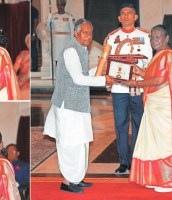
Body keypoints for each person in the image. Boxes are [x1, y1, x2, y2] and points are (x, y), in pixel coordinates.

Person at [44, 18, 114, 193]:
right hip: (68, 106)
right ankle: (67, 182)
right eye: (84, 32)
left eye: (90, 32)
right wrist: (103, 79)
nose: (88, 36)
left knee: (81, 142)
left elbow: (81, 74)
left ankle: (77, 178)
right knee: (70, 144)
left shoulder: (81, 49)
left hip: (78, 104)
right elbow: (79, 79)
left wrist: (99, 70)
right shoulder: (71, 51)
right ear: (75, 33)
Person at [123, 25, 172, 192]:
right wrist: (139, 71)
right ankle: (157, 178)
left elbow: (159, 80)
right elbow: (152, 75)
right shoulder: (159, 55)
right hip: (155, 106)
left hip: (163, 107)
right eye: (152, 37)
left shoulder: (167, 54)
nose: (154, 40)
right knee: (155, 143)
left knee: (164, 143)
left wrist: (135, 83)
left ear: (166, 38)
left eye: (158, 37)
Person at [104, 3, 153, 174]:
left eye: (129, 13)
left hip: (139, 87)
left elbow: (151, 64)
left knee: (139, 123)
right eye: (123, 13)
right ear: (119, 18)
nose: (126, 16)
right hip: (119, 89)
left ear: (136, 17)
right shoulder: (112, 37)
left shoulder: (147, 36)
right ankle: (124, 162)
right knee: (121, 125)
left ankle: (137, 160)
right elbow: (106, 62)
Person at [46, 0, 74, 67]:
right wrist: (48, 20)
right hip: (56, 42)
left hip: (66, 41)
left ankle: (65, 75)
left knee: (66, 58)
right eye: (58, 5)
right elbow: (48, 29)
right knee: (57, 58)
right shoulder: (53, 16)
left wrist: (72, 42)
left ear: (64, 6)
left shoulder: (69, 16)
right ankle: (58, 75)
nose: (59, 7)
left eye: (61, 5)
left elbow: (72, 30)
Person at [13, 34, 30, 100]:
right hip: (23, 81)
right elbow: (14, 69)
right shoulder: (22, 54)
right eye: (28, 42)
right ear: (26, 44)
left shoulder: (36, 55)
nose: (30, 44)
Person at [31, 0, 39, 72]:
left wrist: (33, 34)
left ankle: (35, 67)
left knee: (33, 50)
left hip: (32, 33)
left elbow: (36, 23)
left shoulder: (34, 11)